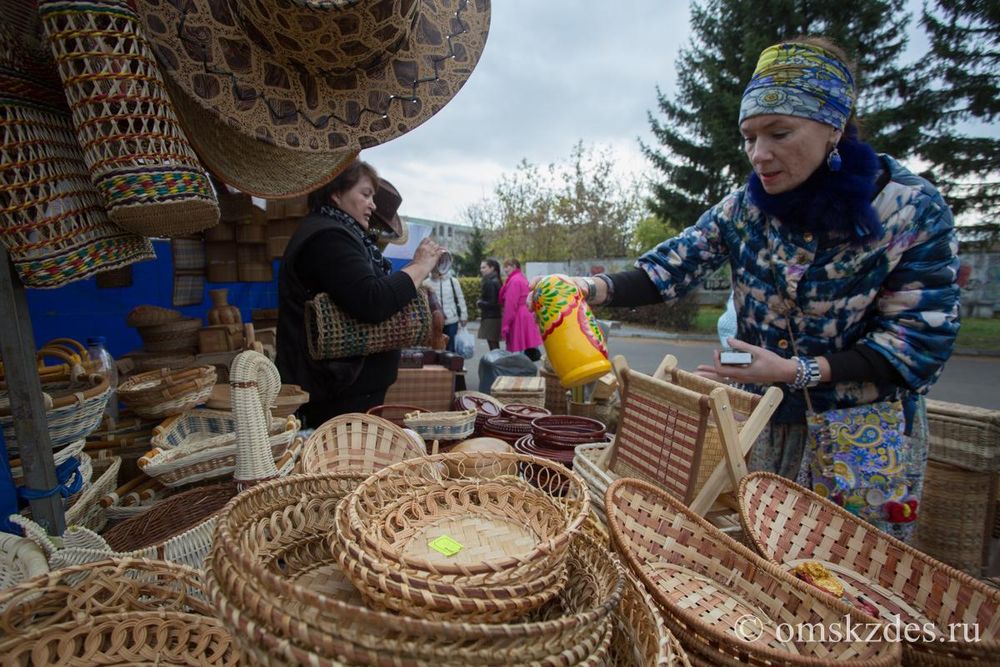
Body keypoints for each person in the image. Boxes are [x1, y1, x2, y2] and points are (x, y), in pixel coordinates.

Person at [540, 37, 959, 542]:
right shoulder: (746, 207)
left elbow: (919, 345)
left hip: (858, 446)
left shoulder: (909, 210)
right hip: (764, 431)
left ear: (834, 126)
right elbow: (668, 269)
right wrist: (587, 286)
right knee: (760, 569)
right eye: (748, 137)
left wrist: (795, 371)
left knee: (842, 588)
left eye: (779, 133)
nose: (760, 155)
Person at [276, 161, 445, 428]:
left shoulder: (341, 232)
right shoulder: (328, 238)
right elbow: (373, 301)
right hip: (337, 391)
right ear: (336, 193)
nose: (373, 205)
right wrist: (420, 266)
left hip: (347, 387)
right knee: (343, 465)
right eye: (365, 194)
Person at [499, 258, 543, 360]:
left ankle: (520, 371)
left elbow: (510, 304)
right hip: (527, 314)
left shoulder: (514, 281)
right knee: (527, 347)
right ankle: (527, 370)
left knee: (518, 348)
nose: (505, 269)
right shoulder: (521, 278)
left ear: (514, 266)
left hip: (519, 317)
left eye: (507, 266)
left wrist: (505, 326)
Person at [423, 263, 467, 354]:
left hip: (451, 319)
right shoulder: (426, 283)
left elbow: (460, 298)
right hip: (434, 321)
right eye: (432, 269)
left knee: (450, 347)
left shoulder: (452, 281)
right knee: (435, 346)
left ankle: (451, 365)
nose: (434, 271)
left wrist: (464, 316)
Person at [477, 259, 502, 350]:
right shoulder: (496, 280)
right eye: (481, 268)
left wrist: (479, 303)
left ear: (492, 268)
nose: (481, 270)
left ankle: (496, 363)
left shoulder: (490, 282)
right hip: (495, 316)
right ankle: (497, 362)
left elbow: (492, 302)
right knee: (494, 344)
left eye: (484, 267)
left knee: (493, 345)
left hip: (490, 317)